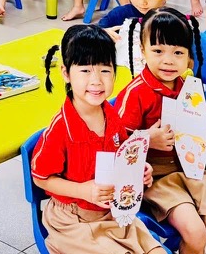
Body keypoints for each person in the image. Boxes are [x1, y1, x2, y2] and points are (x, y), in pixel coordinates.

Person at [32, 25, 162, 254]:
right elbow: (41, 178)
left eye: (105, 70)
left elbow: (122, 156)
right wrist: (83, 191)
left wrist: (138, 169)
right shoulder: (61, 129)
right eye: (85, 70)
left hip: (113, 212)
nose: (96, 81)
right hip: (73, 220)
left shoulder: (111, 115)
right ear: (66, 73)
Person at [115, 9, 206, 254]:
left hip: (195, 170)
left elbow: (202, 130)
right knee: (195, 233)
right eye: (158, 51)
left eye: (178, 52)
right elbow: (115, 144)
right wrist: (147, 139)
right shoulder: (135, 93)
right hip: (157, 178)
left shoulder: (191, 89)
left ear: (189, 56)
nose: (168, 61)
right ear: (142, 50)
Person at [98, 0, 178, 94]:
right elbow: (93, 35)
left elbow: (187, 61)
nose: (142, 2)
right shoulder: (120, 14)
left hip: (156, 88)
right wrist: (103, 34)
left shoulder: (172, 22)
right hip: (120, 85)